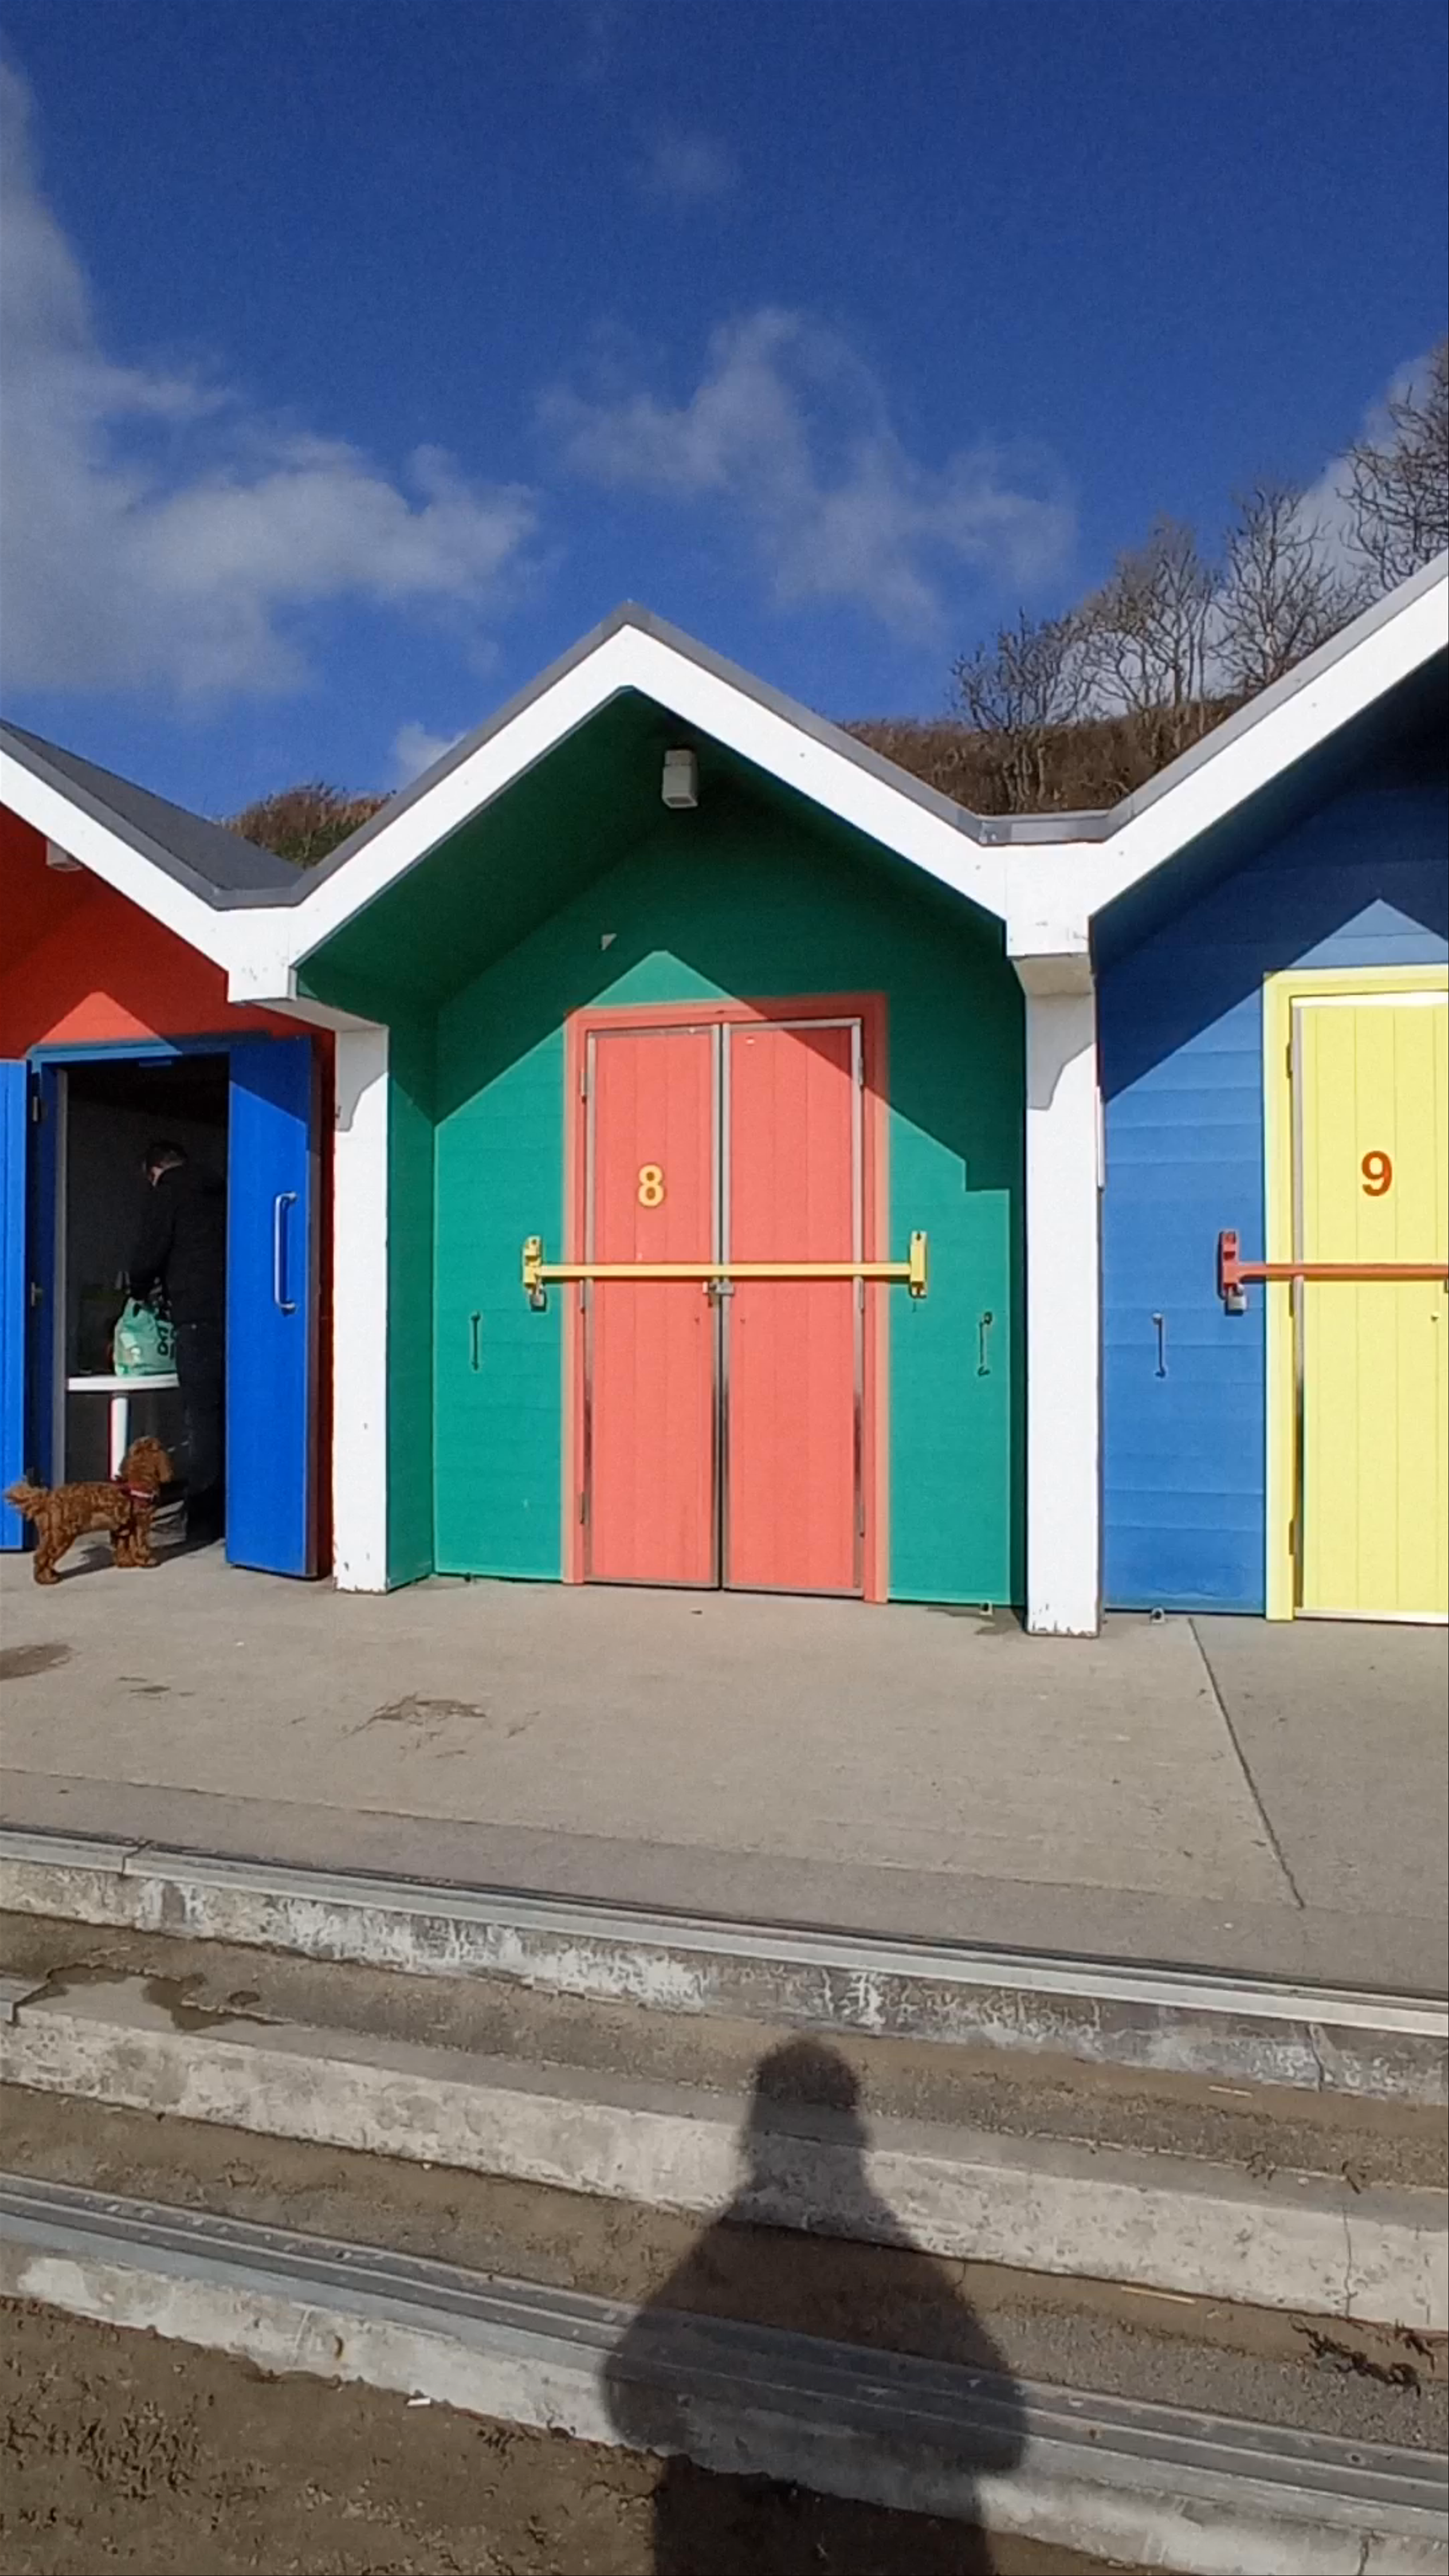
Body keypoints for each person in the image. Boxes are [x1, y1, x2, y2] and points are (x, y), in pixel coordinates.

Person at [128, 1141, 226, 1544]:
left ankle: (202, 1521)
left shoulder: (168, 1190)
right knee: (235, 1414)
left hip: (198, 1318)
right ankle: (242, 1512)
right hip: (242, 1318)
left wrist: (137, 1291)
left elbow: (149, 1253)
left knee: (201, 1419)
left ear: (154, 1170)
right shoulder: (221, 1188)